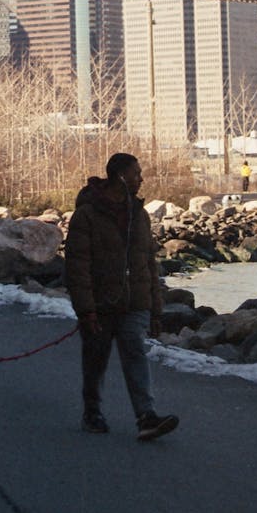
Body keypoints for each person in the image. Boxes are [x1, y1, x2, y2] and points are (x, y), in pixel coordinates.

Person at [64, 152, 179, 442]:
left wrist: (155, 308)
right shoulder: (87, 215)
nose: (141, 179)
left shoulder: (138, 215)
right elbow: (77, 265)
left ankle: (146, 416)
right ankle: (92, 412)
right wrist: (86, 309)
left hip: (134, 303)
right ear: (120, 177)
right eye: (136, 173)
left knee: (135, 352)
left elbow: (148, 263)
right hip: (100, 305)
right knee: (96, 360)